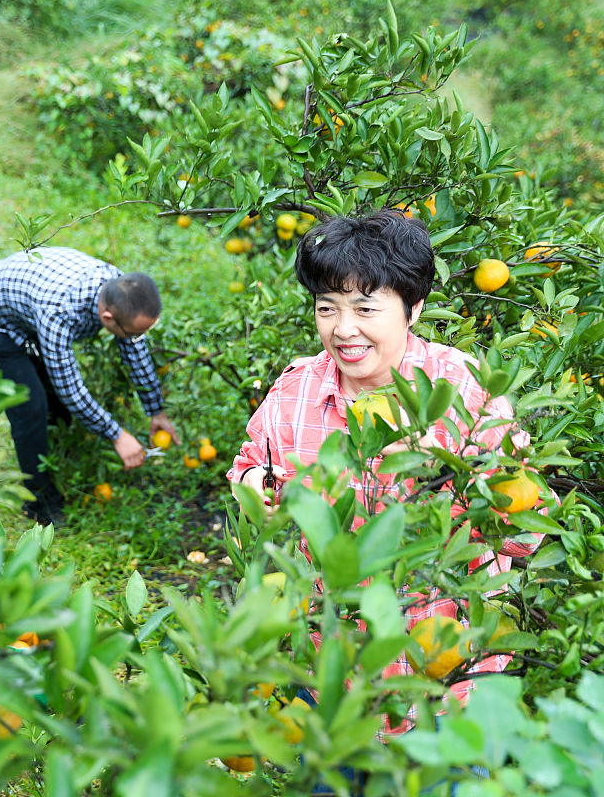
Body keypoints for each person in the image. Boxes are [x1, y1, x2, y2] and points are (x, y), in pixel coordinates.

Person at [227, 208, 541, 738]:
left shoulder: (466, 393)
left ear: (413, 309)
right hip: (327, 677)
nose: (343, 329)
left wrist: (454, 472)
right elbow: (248, 466)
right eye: (327, 308)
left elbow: (526, 538)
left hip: (445, 687)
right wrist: (254, 485)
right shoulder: (296, 389)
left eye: (365, 308)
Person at [0, 246, 178, 525]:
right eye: (134, 334)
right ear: (107, 318)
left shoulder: (121, 292)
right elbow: (71, 390)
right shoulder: (59, 312)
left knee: (53, 397)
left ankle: (57, 454)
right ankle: (39, 501)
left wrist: (156, 410)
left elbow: (134, 351)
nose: (138, 339)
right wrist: (117, 435)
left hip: (29, 310)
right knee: (30, 406)